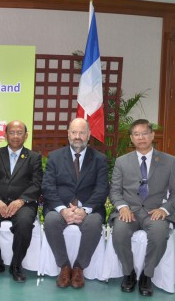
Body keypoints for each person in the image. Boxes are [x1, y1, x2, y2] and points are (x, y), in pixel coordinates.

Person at [109, 119, 175, 297]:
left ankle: (147, 275)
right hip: (129, 212)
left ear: (152, 135)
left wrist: (164, 210)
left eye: (144, 133)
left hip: (154, 212)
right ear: (131, 138)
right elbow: (115, 191)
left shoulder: (169, 161)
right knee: (119, 232)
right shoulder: (122, 161)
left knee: (159, 234)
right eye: (136, 134)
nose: (141, 137)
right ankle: (129, 273)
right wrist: (122, 208)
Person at [42, 118, 109, 289]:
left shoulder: (99, 159)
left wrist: (85, 210)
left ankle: (79, 267)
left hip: (89, 209)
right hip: (60, 208)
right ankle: (64, 266)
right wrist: (63, 210)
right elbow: (48, 187)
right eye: (74, 132)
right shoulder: (55, 157)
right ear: (68, 134)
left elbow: (101, 189)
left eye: (81, 132)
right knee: (50, 220)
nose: (77, 136)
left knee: (94, 223)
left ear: (88, 135)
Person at [0, 120, 42, 281]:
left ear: (26, 135)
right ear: (5, 135)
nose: (15, 136)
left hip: (23, 204)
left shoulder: (34, 157)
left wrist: (21, 201)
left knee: (24, 224)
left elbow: (37, 184)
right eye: (12, 132)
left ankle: (16, 265)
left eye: (19, 132)